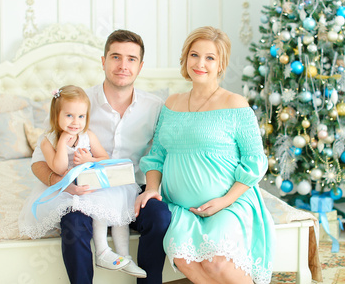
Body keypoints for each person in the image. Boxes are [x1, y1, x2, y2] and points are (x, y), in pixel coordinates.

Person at [29, 30, 170, 284]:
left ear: (140, 66)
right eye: (116, 57)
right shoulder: (77, 103)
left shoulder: (155, 106)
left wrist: (151, 189)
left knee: (160, 215)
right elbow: (38, 160)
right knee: (72, 222)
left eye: (131, 59)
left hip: (130, 189)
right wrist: (62, 183)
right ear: (103, 61)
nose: (123, 66)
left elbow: (161, 154)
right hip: (84, 189)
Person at [137, 26, 275, 284]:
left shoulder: (235, 104)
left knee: (216, 262)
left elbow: (255, 162)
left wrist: (224, 201)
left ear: (221, 64)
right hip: (181, 209)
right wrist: (152, 189)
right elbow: (156, 156)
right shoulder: (171, 104)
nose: (200, 63)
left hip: (228, 204)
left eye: (210, 58)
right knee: (184, 258)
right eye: (194, 55)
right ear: (185, 58)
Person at [19, 85, 146, 277]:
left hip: (89, 182)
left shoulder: (87, 136)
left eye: (81, 116)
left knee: (115, 202)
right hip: (65, 187)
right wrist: (62, 143)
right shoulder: (48, 140)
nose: (75, 122)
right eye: (69, 115)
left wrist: (90, 160)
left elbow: (104, 158)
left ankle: (124, 256)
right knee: (93, 207)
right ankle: (103, 251)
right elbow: (59, 169)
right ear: (56, 115)